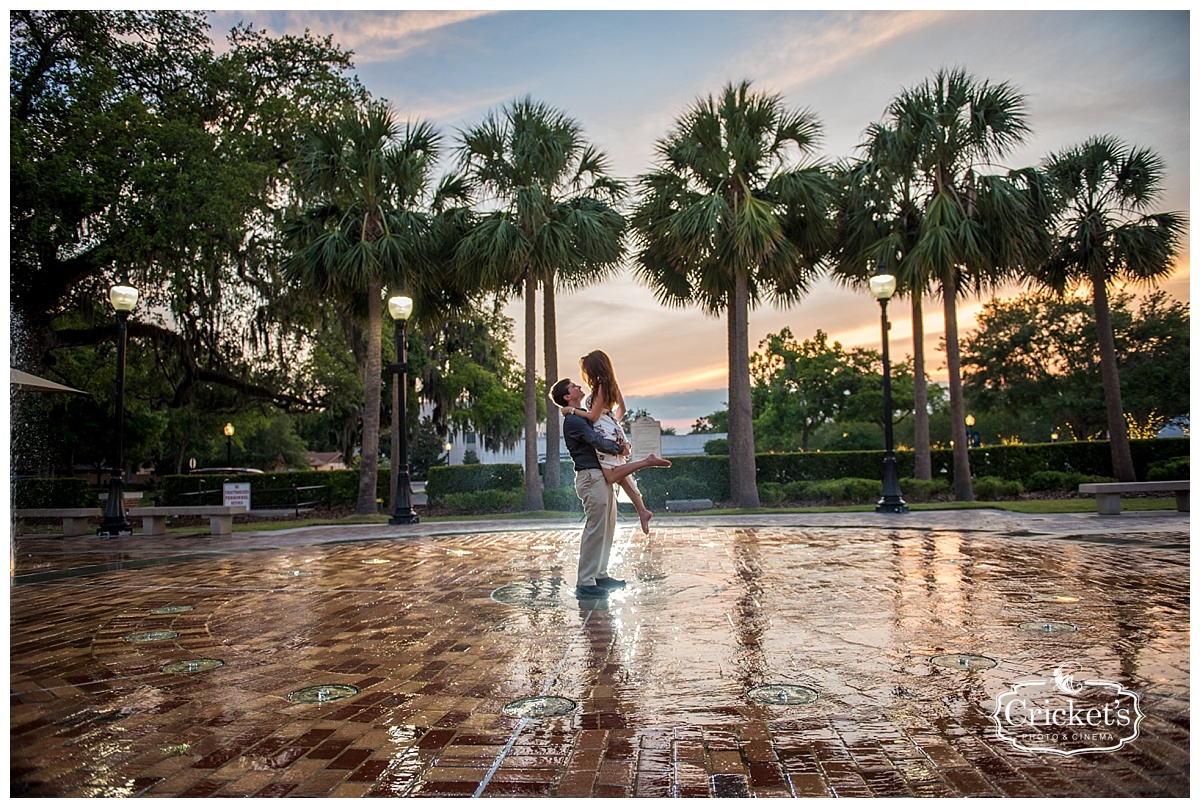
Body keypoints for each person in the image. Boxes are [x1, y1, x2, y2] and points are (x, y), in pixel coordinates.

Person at [551, 377, 661, 600]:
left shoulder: (580, 417)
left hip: (600, 477)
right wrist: (619, 448)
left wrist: (621, 445)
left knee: (608, 527)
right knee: (596, 528)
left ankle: (600, 574)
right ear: (566, 396)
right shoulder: (573, 421)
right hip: (591, 477)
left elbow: (605, 429)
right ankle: (585, 581)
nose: (579, 387)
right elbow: (596, 441)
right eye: (574, 386)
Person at [562, 349, 670, 534]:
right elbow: (622, 409)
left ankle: (647, 461)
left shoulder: (601, 387)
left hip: (606, 433)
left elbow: (593, 415)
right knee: (622, 478)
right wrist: (613, 425)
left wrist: (571, 411)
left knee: (612, 476)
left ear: (593, 369)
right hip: (613, 429)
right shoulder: (611, 384)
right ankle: (643, 511)